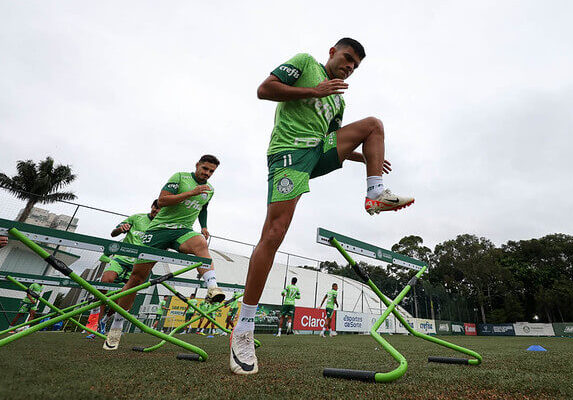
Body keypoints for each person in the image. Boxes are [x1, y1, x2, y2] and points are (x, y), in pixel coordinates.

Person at [231, 37, 414, 375]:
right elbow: (264, 89)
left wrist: (365, 157)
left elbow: (335, 141)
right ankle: (243, 327)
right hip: (289, 154)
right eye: (347, 59)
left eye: (355, 66)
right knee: (274, 233)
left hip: (318, 151)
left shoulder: (338, 102)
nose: (349, 67)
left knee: (373, 125)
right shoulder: (305, 64)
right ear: (332, 52)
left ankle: (375, 193)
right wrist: (313, 91)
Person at [104, 155, 225, 351]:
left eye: (211, 171)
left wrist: (204, 226)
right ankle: (116, 326)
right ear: (197, 165)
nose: (207, 173)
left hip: (182, 231)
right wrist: (191, 193)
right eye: (205, 169)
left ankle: (213, 288)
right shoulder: (180, 177)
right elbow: (162, 200)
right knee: (137, 278)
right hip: (158, 230)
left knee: (201, 243)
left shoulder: (209, 190)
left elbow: (203, 209)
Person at [98, 200, 160, 322]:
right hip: (121, 258)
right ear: (152, 206)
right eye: (156, 208)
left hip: (138, 265)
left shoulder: (162, 226)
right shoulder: (136, 218)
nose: (157, 211)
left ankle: (105, 320)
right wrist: (120, 229)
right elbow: (113, 233)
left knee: (122, 298)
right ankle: (94, 321)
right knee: (105, 282)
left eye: (161, 210)